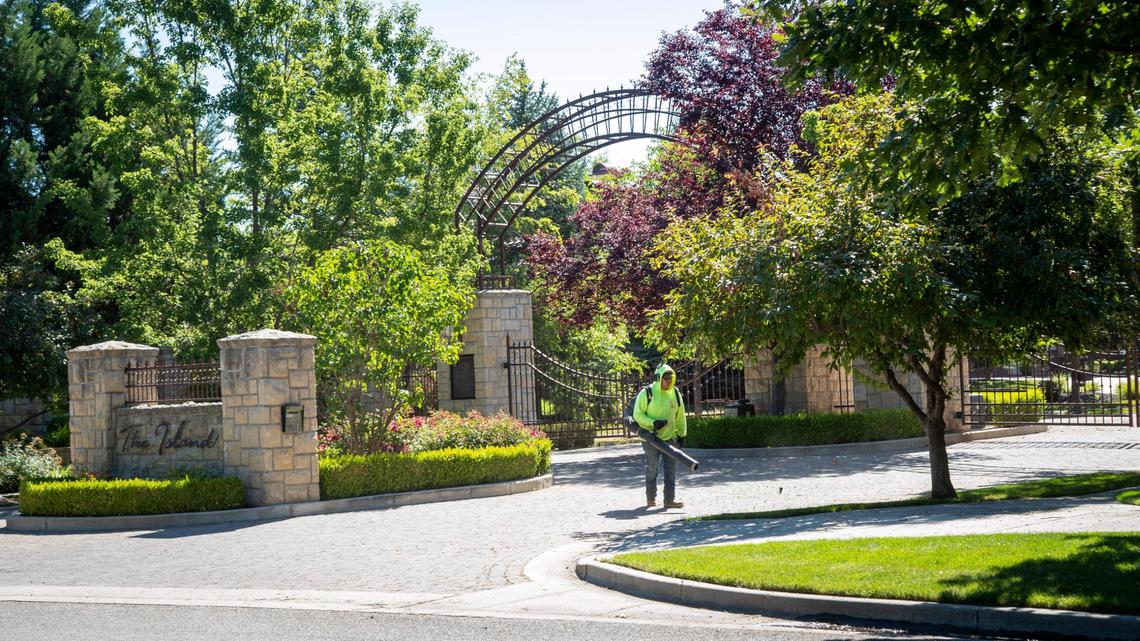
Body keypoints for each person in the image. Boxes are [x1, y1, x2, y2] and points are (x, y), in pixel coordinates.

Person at [632, 363, 687, 508]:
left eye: (671, 378)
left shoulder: (675, 393)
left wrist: (682, 434)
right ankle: (651, 498)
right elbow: (637, 415)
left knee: (671, 470)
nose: (669, 381)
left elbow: (680, 415)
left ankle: (669, 500)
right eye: (666, 378)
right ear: (659, 378)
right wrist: (653, 423)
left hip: (670, 437)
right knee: (652, 468)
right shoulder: (647, 393)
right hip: (650, 438)